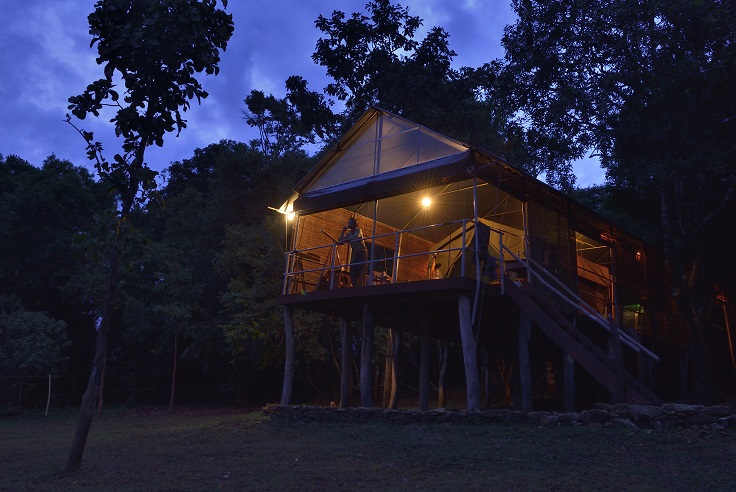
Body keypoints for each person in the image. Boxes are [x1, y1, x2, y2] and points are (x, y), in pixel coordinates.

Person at [338, 217, 368, 287]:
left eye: (350, 223)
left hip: (362, 253)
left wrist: (347, 240)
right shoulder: (349, 234)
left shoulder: (359, 230)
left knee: (361, 270)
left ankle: (361, 287)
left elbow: (356, 237)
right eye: (348, 223)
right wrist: (343, 231)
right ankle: (355, 286)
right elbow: (340, 241)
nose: (348, 224)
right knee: (353, 271)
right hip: (355, 253)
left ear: (355, 224)